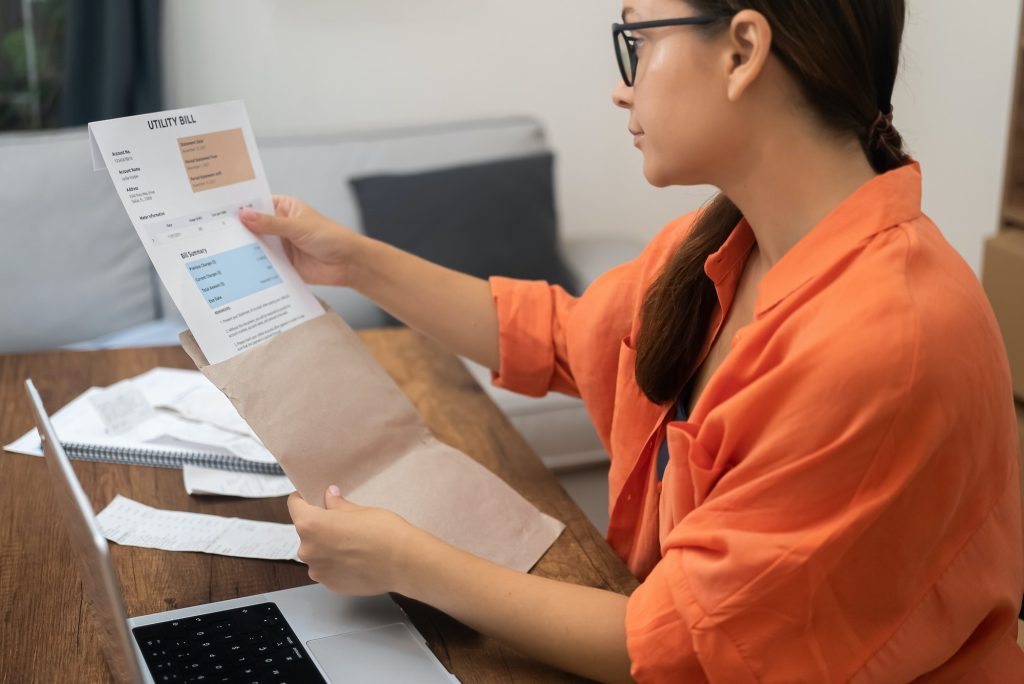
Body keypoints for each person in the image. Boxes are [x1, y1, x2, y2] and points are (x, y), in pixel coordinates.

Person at [239, 1, 1024, 681]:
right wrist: (352, 259)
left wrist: (407, 561)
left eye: (638, 43)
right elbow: (555, 334)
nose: (623, 86)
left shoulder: (885, 340)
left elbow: (686, 649)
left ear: (743, 51)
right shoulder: (723, 245)